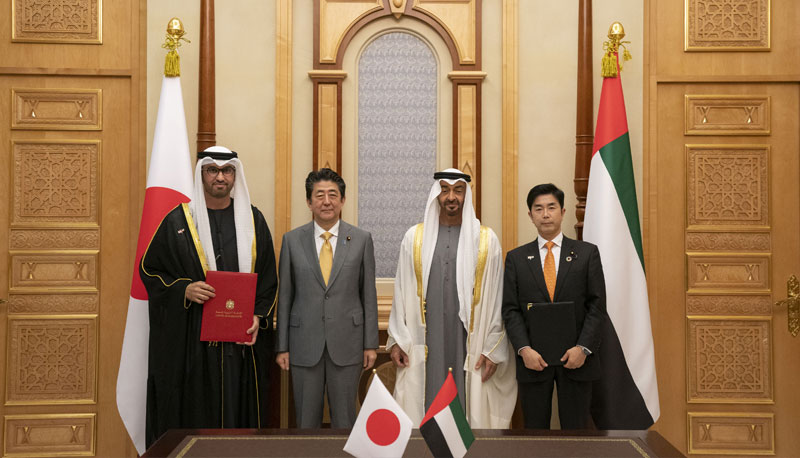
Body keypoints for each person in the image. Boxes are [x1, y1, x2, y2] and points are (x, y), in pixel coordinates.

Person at [139, 146, 278, 447]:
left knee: (239, 422)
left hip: (241, 345)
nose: (220, 177)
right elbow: (149, 271)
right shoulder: (178, 221)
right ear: (201, 173)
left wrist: (258, 317)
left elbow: (268, 280)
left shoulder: (254, 222)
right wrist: (183, 289)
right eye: (212, 170)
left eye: (227, 171)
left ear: (235, 175)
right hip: (194, 346)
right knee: (197, 419)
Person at [386, 169, 517, 428]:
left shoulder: (486, 241)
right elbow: (400, 292)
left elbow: (498, 299)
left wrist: (493, 349)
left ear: (466, 195)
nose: (451, 197)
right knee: (425, 402)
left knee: (466, 404)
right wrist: (397, 340)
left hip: (470, 341)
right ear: (436, 194)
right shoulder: (414, 238)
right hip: (425, 340)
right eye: (444, 190)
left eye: (458, 190)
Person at [275, 168, 378, 429]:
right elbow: (285, 296)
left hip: (348, 343)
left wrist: (370, 344)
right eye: (319, 195)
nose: (327, 201)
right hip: (303, 344)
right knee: (306, 421)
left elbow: (368, 295)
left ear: (343, 200)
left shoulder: (361, 240)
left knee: (345, 420)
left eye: (333, 195)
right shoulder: (291, 240)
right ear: (309, 202)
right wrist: (282, 346)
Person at [502, 183, 607, 429]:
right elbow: (510, 309)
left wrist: (583, 348)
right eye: (538, 209)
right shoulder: (516, 258)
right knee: (535, 432)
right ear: (530, 215)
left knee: (576, 432)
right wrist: (524, 349)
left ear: (563, 211)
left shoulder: (587, 253)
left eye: (551, 207)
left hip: (578, 359)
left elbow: (597, 306)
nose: (545, 214)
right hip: (533, 361)